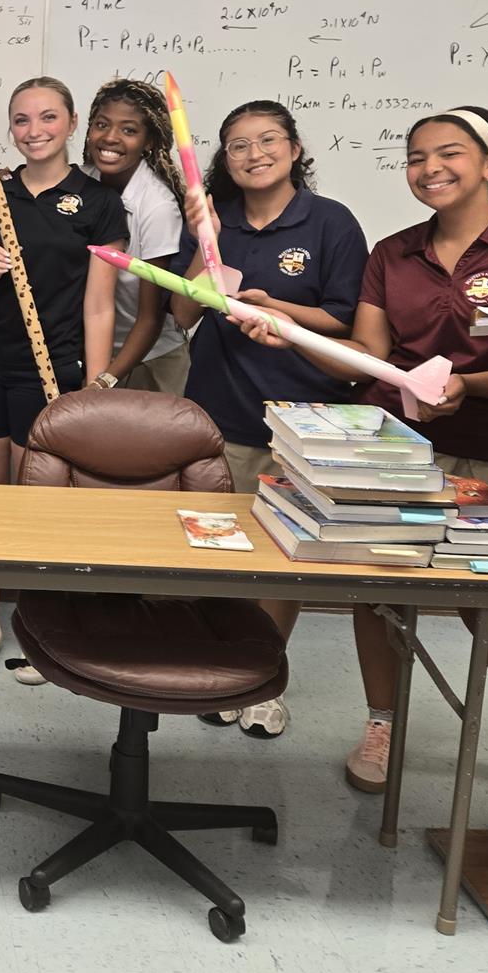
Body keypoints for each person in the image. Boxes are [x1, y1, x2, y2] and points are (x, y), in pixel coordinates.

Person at [237, 105, 488, 791]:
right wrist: (289, 331)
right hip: (391, 455)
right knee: (378, 596)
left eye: (449, 153)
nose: (430, 168)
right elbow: (366, 359)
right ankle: (383, 726)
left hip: (486, 457)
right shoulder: (392, 252)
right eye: (416, 157)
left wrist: (470, 385)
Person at [175, 100, 368, 741]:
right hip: (220, 413)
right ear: (224, 157)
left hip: (305, 420)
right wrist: (206, 243)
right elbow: (184, 316)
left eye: (268, 140)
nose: (254, 154)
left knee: (286, 555)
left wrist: (276, 311)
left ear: (293, 148)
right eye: (238, 145)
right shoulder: (213, 219)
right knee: (220, 547)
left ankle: (263, 676)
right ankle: (224, 668)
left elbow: (344, 320)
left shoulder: (331, 222)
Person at [0, 76, 124, 682]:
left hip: (51, 370)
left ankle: (36, 627)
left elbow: (99, 305)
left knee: (37, 503)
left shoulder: (98, 203)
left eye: (48, 117)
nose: (34, 130)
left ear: (72, 124)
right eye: (22, 119)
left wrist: (94, 387)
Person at [81, 78, 184, 394]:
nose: (110, 137)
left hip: (149, 359)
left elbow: (150, 318)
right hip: (91, 350)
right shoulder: (80, 182)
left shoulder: (157, 207)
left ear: (148, 141)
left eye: (128, 130)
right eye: (101, 124)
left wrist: (104, 380)